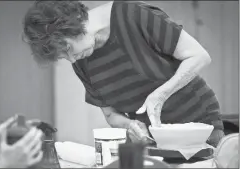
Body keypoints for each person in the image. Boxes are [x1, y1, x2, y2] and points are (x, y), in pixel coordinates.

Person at [22, 1, 225, 147]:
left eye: (67, 48)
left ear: (73, 23)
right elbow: (111, 115)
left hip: (198, 125)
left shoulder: (133, 15)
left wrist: (160, 94)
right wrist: (132, 126)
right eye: (63, 57)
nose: (72, 59)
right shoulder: (82, 61)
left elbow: (199, 56)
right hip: (152, 140)